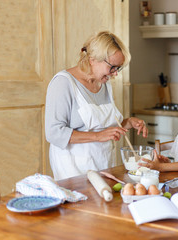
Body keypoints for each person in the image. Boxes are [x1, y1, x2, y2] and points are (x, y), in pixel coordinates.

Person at [45, 31, 148, 180]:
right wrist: (97, 136)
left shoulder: (104, 84)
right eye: (112, 67)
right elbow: (54, 132)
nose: (115, 74)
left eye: (118, 68)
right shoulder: (63, 83)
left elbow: (104, 126)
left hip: (103, 164)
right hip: (74, 169)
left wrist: (129, 122)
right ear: (92, 59)